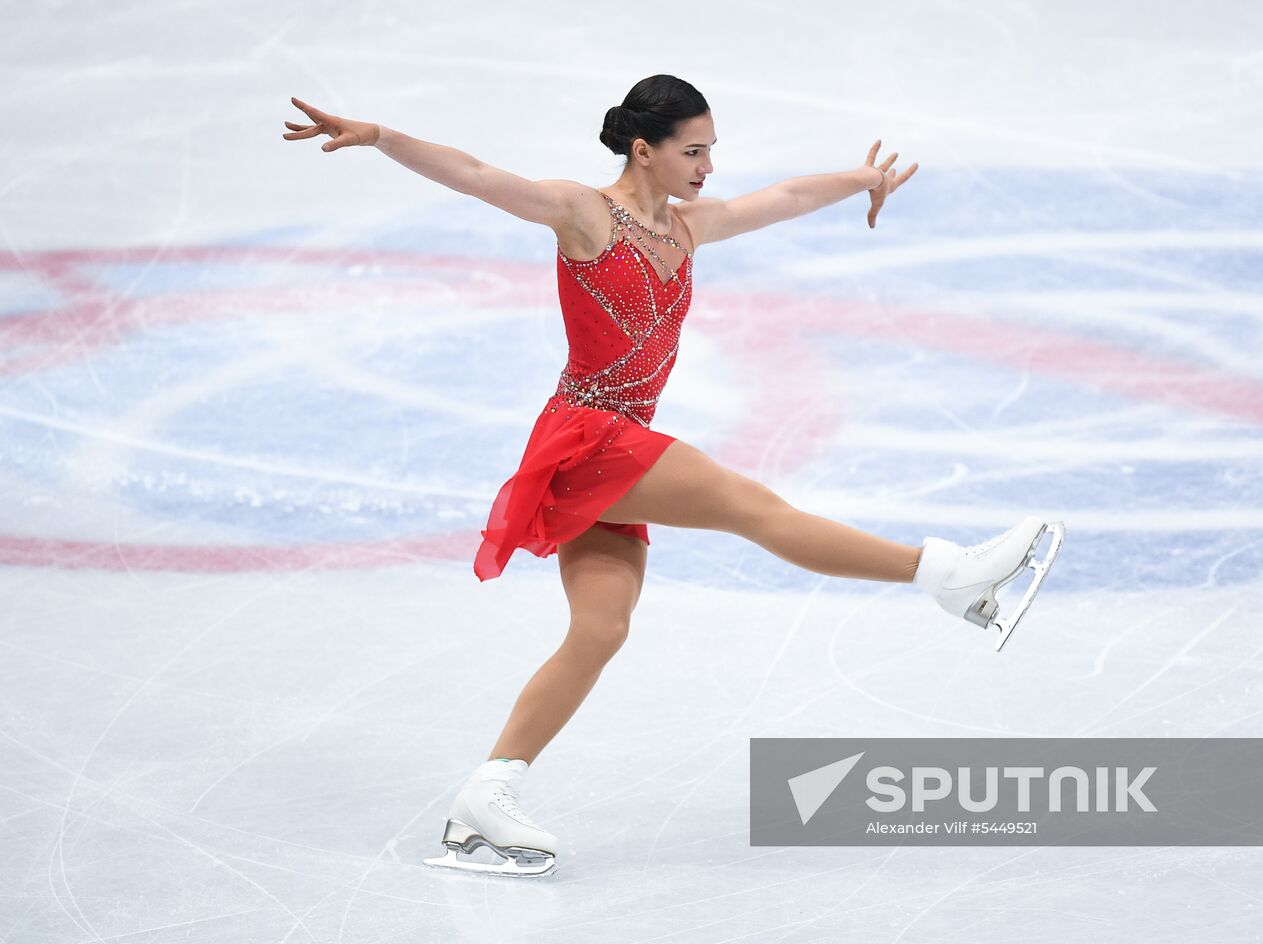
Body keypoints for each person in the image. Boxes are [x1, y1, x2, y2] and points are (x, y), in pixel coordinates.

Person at [283, 75, 1065, 877]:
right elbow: (479, 176)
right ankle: (945, 575)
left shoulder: (688, 228)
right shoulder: (584, 214)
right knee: (748, 505)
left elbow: (787, 197)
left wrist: (861, 179)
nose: (708, 167)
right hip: (590, 436)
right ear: (643, 150)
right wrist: (381, 136)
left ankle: (484, 798)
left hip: (613, 444)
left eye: (711, 151)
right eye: (694, 151)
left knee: (600, 631)